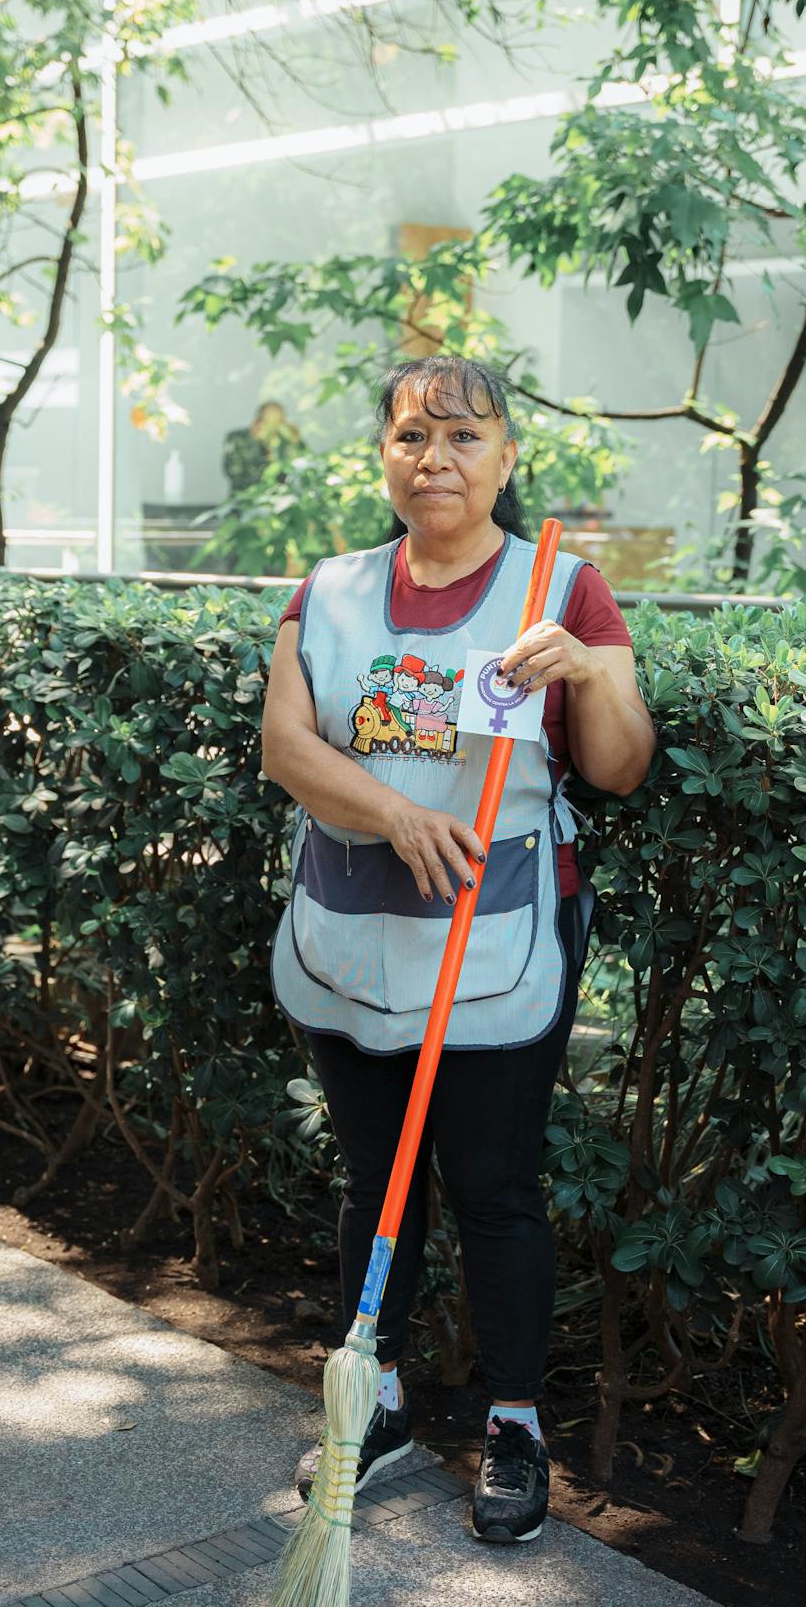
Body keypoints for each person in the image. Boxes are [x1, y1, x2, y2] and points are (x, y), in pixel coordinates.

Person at [261, 354, 654, 1543]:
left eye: (464, 437)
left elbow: (621, 764)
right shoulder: (326, 591)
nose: (435, 458)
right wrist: (393, 812)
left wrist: (585, 672)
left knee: (493, 1188)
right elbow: (287, 744)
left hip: (497, 947)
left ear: (507, 457)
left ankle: (515, 1422)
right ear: (382, 454)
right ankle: (373, 1398)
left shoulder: (561, 587)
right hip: (351, 935)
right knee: (374, 1183)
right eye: (411, 437)